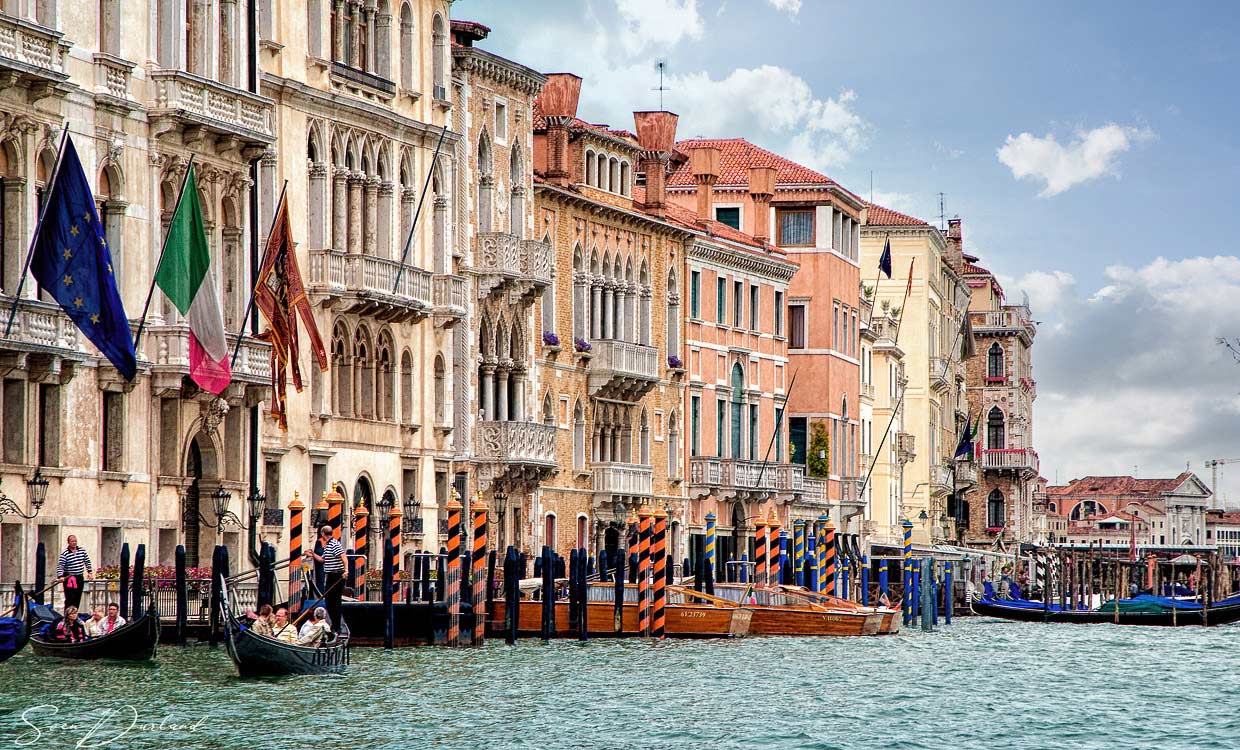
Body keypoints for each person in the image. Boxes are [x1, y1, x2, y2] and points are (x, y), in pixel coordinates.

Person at [306, 525, 347, 630]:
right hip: (331, 575)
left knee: (335, 601)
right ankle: (335, 624)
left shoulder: (334, 544)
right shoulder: (328, 545)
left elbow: (344, 557)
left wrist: (346, 570)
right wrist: (312, 554)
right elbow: (322, 560)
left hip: (337, 575)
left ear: (323, 534)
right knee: (329, 601)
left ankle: (336, 626)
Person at [56, 535, 93, 610]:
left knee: (77, 597)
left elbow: (87, 561)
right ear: (68, 542)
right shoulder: (65, 553)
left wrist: (89, 572)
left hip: (79, 577)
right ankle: (68, 614)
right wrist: (60, 576)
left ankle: (75, 613)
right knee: (70, 598)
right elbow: (60, 566)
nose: (74, 543)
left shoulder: (82, 551)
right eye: (72, 541)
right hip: (69, 577)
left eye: (75, 541)